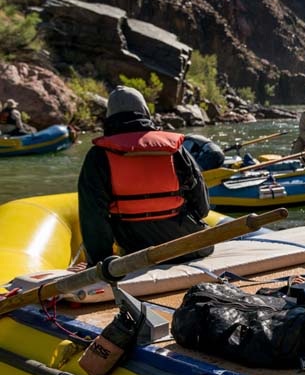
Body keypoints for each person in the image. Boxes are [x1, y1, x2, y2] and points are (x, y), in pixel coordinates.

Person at [77, 87, 211, 265]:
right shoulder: (175, 149)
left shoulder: (98, 156)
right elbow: (202, 208)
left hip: (136, 251)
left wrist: (101, 263)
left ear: (109, 117)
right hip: (189, 247)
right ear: (145, 112)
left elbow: (93, 218)